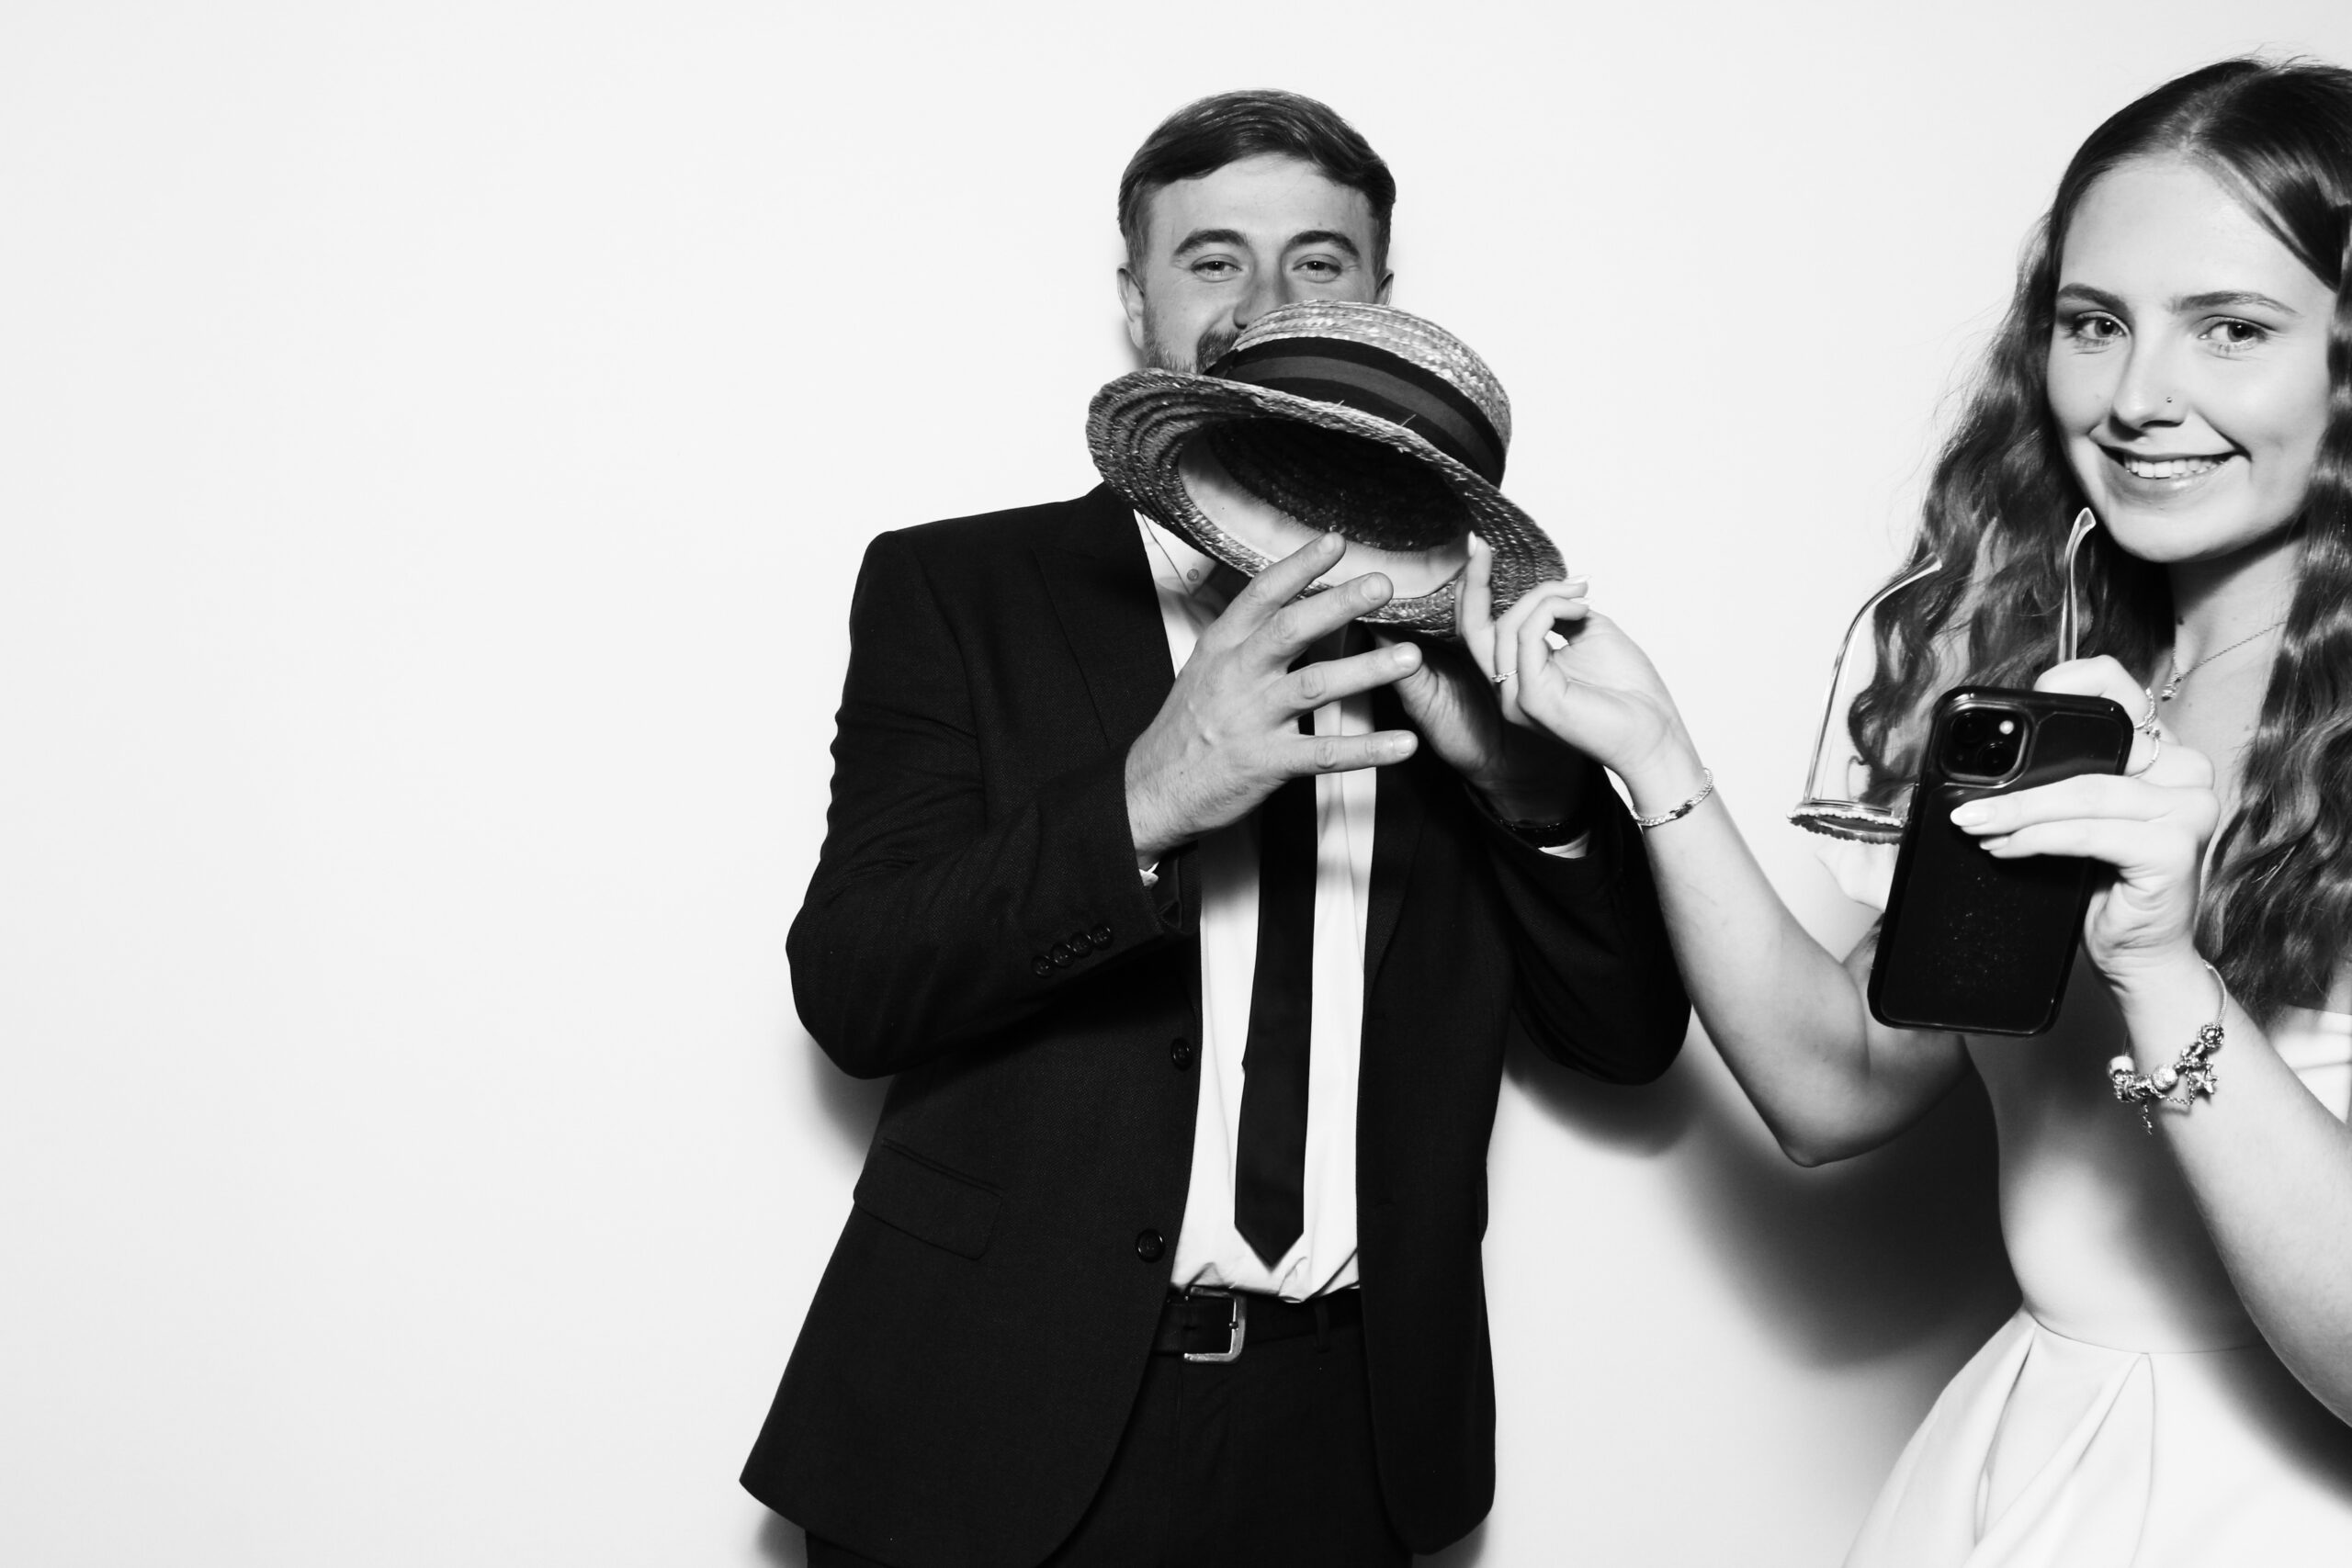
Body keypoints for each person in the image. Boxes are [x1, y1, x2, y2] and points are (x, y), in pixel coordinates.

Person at [740, 90, 1689, 1567]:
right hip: (982, 1427)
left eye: (1318, 262)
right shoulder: (961, 591)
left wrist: (1531, 789)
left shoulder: (1484, 636)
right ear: (1136, 302)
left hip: (1347, 1445)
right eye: (1211, 259)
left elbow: (1627, 1041)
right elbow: (854, 989)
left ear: (1380, 301)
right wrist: (1148, 796)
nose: (1261, 302)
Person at [1475, 57, 2352, 1562]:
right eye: (2095, 323)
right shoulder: (2075, 686)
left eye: (2233, 328)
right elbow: (1841, 1086)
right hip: (2037, 1455)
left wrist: (2161, 972)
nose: (2138, 398)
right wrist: (1656, 760)